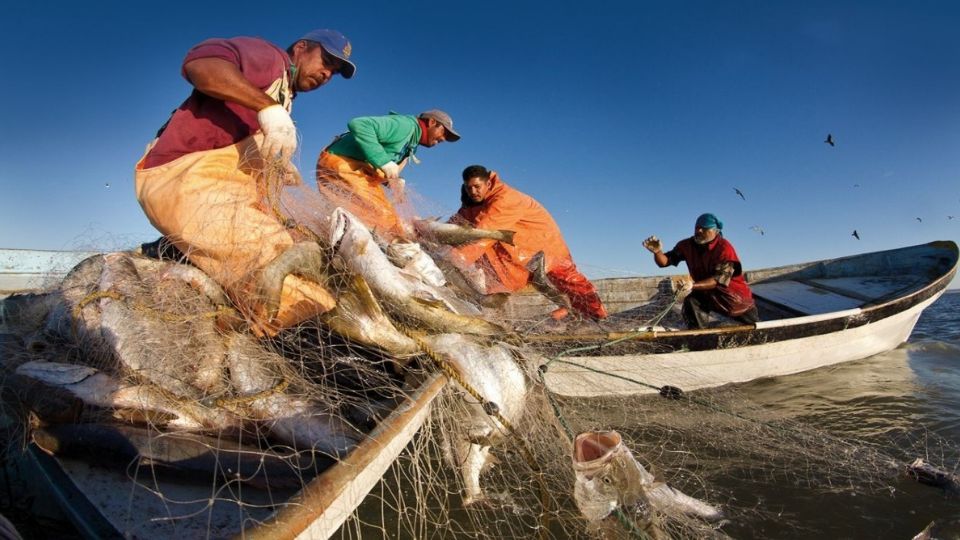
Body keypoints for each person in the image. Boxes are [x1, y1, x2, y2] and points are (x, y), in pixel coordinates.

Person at [134, 29, 357, 337]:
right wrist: (267, 107)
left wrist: (275, 163)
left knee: (302, 256)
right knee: (295, 290)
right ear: (301, 48)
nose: (327, 73)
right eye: (327, 61)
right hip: (186, 179)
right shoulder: (270, 58)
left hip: (221, 190)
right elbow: (200, 64)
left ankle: (176, 253)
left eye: (334, 71)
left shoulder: (284, 95)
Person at [447, 165, 608, 320]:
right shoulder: (474, 203)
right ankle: (569, 312)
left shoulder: (505, 198)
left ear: (488, 183)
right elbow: (455, 225)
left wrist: (454, 259)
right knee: (506, 287)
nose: (473, 192)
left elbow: (485, 234)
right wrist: (424, 231)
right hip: (518, 256)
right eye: (469, 189)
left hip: (545, 247)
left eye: (477, 187)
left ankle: (597, 317)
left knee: (570, 283)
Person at [316, 110, 460, 239]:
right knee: (384, 218)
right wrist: (383, 162)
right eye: (444, 132)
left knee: (392, 222)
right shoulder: (405, 125)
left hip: (360, 172)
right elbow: (359, 124)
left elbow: (385, 169)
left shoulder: (412, 145)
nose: (444, 139)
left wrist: (393, 182)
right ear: (432, 122)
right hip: (341, 163)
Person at [643, 213, 759, 329]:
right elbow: (665, 262)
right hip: (707, 294)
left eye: (704, 228)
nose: (698, 230)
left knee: (754, 327)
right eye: (697, 227)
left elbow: (719, 280)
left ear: (715, 231)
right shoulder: (686, 246)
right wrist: (657, 252)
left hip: (733, 298)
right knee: (692, 301)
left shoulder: (724, 248)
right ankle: (697, 334)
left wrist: (692, 285)